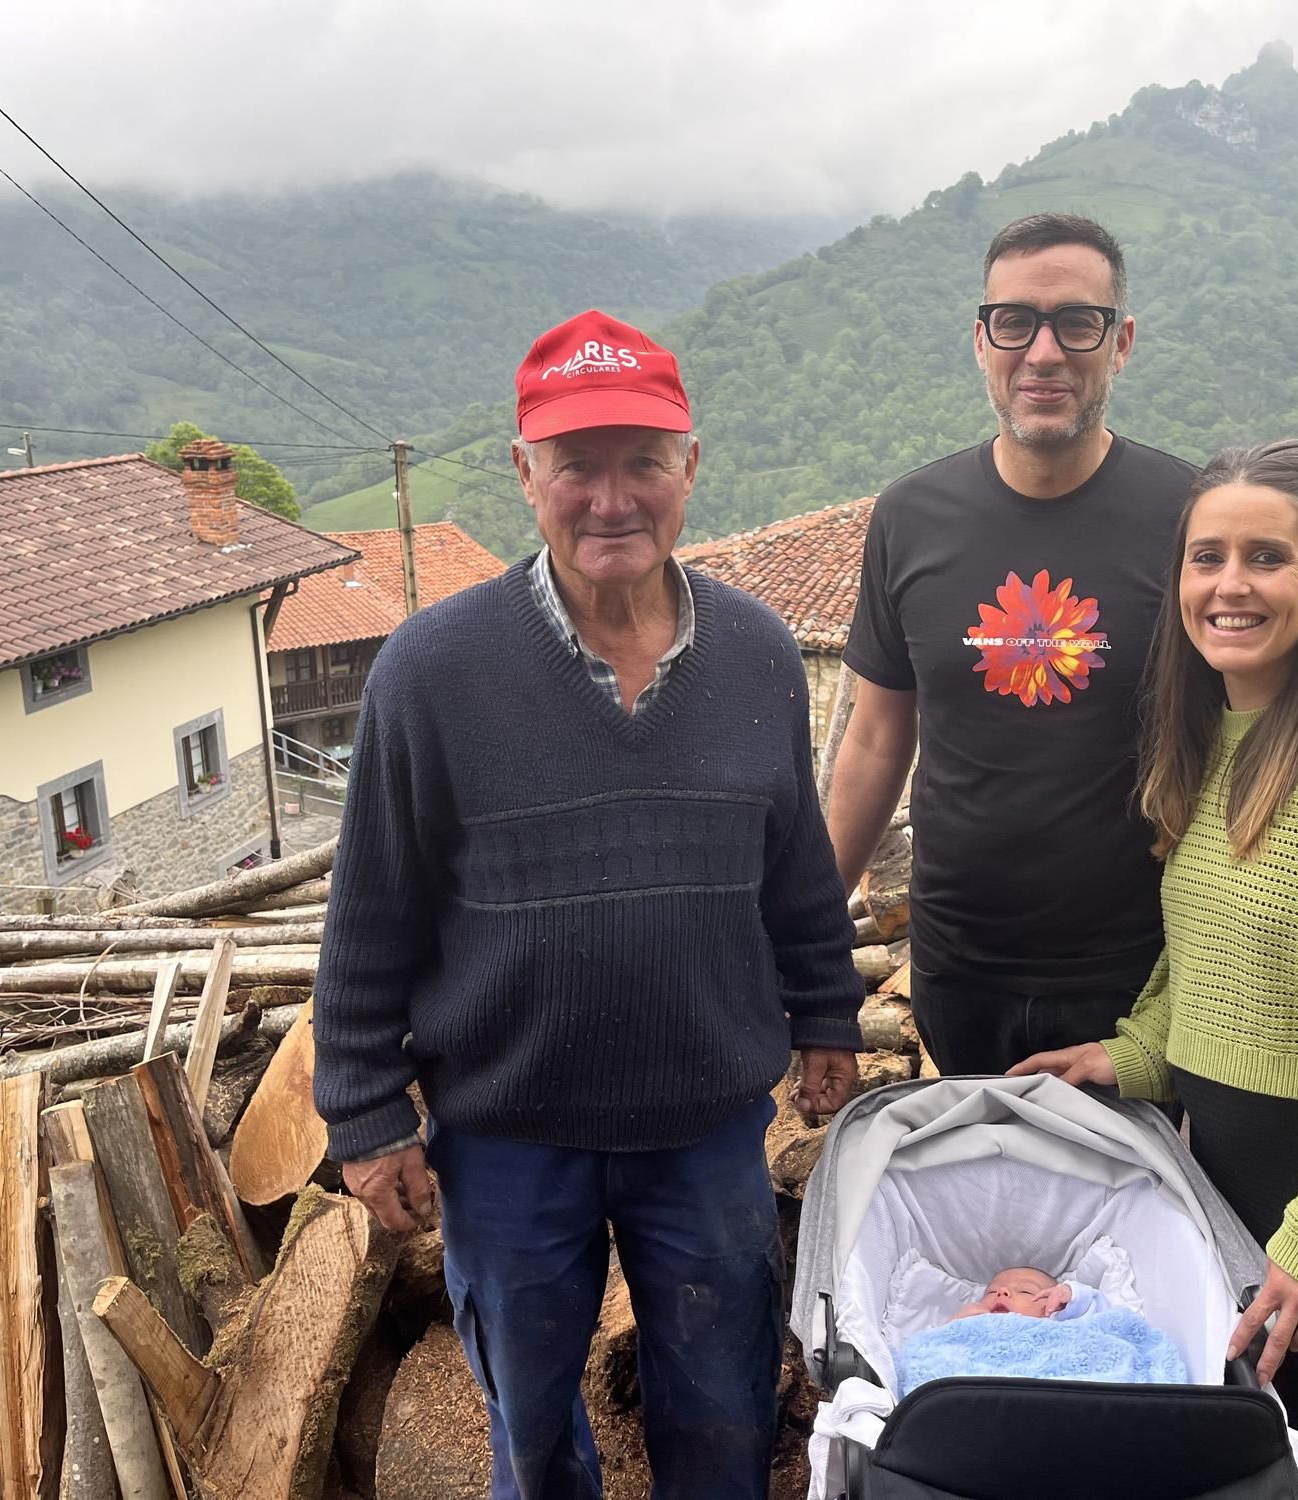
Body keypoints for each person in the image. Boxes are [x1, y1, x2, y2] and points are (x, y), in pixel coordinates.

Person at [312, 309, 865, 1500]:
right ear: (525, 474)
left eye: (641, 463)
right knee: (529, 1426)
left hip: (706, 1124)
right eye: (576, 465)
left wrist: (826, 1015)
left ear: (689, 471)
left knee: (720, 1406)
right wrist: (362, 1114)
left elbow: (795, 873)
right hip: (509, 1130)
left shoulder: (758, 654)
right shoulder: (431, 671)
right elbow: (370, 916)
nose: (610, 498)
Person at [1011, 439, 1298, 1500]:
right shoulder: (1205, 734)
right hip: (1229, 1161)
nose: (1229, 585)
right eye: (1205, 556)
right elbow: (1206, 954)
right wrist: (1129, 1054)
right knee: (1243, 1464)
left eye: (1265, 557)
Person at [828, 212, 1196, 1076]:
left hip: (1134, 970)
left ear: (1122, 341)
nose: (1043, 353)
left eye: (1077, 322)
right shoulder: (910, 518)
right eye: (1015, 322)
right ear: (980, 339)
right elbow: (876, 741)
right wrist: (807, 927)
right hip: (959, 965)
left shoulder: (1186, 515)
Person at [949, 1266, 1111, 1322]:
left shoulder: (1058, 1323)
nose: (1001, 1291)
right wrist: (954, 1325)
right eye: (991, 1292)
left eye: (1025, 1291)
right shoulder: (970, 1325)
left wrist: (1073, 1295)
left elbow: (1103, 1316)